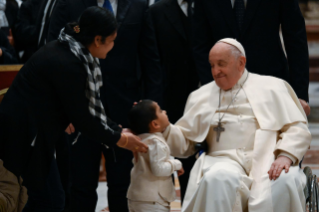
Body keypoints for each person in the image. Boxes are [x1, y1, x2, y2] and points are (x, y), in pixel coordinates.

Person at [0, 7, 147, 211]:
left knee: (46, 198)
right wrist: (120, 139)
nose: (114, 45)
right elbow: (84, 119)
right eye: (112, 40)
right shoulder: (68, 63)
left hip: (36, 131)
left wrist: (116, 129)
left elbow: (89, 107)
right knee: (49, 200)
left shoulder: (70, 49)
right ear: (97, 40)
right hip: (25, 134)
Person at [163, 38, 311, 212]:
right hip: (223, 160)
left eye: (221, 64)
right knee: (217, 179)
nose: (215, 71)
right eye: (212, 65)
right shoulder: (200, 96)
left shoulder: (273, 86)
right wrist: (165, 128)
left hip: (270, 159)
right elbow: (184, 144)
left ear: (241, 63)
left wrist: (285, 155)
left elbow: (298, 128)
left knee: (285, 180)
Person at [48, 1, 162, 211]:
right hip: (78, 106)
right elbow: (53, 52)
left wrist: (150, 108)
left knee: (124, 185)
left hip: (126, 108)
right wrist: (61, 107)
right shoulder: (70, 3)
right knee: (80, 185)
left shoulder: (139, 4)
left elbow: (150, 57)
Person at [193, 0, 310, 116]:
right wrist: (211, 90)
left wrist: (299, 95)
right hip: (222, 92)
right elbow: (200, 45)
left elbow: (296, 39)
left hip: (271, 88)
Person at [140, 0, 199, 202]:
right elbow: (151, 57)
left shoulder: (212, 5)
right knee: (177, 158)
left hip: (208, 94)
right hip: (170, 97)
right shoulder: (156, 11)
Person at [127, 100, 184, 212]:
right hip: (153, 201)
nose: (165, 111)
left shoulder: (140, 138)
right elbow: (159, 169)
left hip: (138, 197)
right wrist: (177, 164)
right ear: (155, 124)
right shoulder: (156, 142)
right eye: (161, 110)